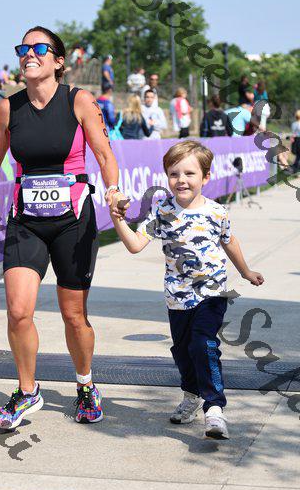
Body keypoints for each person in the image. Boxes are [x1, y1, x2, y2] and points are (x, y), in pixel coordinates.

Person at [0, 25, 127, 430]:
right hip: (26, 221)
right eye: (22, 48)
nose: (28, 53)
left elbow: (104, 154)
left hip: (73, 221)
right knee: (18, 311)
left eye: (39, 48)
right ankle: (27, 391)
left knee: (73, 315)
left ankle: (86, 384)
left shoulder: (79, 101)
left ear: (58, 61)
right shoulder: (8, 108)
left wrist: (112, 191)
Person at [110, 140, 264, 440]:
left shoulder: (217, 211)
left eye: (189, 173)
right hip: (177, 297)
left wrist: (246, 272)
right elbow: (135, 245)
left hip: (212, 293)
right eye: (174, 173)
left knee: (203, 344)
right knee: (182, 351)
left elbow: (229, 241)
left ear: (206, 177)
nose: (181, 180)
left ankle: (214, 408)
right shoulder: (162, 211)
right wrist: (118, 220)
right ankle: (191, 395)